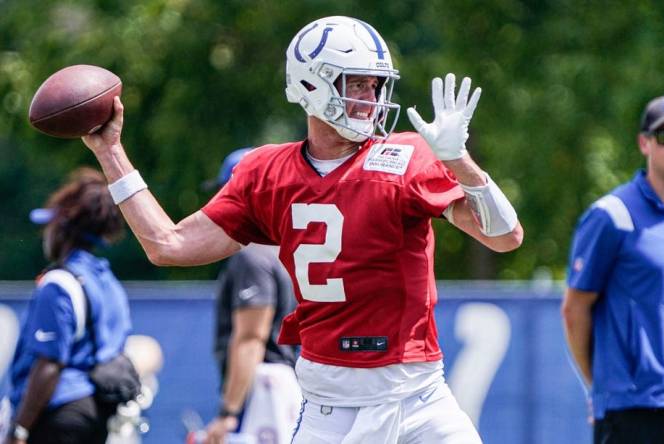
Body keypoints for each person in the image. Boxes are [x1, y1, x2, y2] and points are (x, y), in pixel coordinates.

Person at [80, 15, 523, 443]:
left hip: (417, 395)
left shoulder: (406, 157)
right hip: (327, 404)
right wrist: (111, 151)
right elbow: (167, 245)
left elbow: (505, 237)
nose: (371, 97)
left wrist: (459, 162)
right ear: (312, 84)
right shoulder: (266, 172)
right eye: (356, 84)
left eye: (375, 84)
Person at [561, 95, 664, 444]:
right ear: (644, 143)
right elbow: (574, 310)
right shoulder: (612, 215)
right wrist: (603, 388)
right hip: (633, 408)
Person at [6, 168, 132, 444]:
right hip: (98, 411)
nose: (45, 235)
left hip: (58, 414)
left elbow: (50, 364)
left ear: (63, 228)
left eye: (49, 226)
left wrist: (19, 429)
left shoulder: (58, 283)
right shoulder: (107, 279)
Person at [202, 149, 300, 444]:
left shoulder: (252, 256)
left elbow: (251, 339)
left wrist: (227, 413)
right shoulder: (286, 250)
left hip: (261, 388)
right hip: (282, 384)